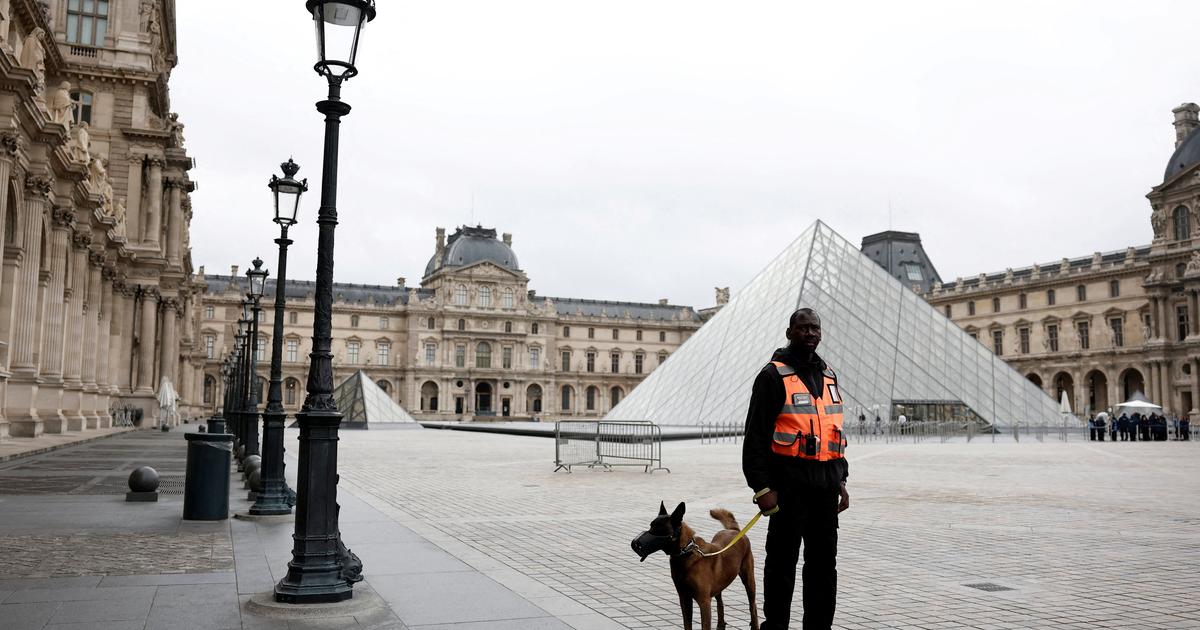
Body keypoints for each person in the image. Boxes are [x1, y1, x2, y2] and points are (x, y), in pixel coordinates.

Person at [743, 308, 849, 630]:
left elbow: (834, 431)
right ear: (790, 333)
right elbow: (755, 437)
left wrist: (841, 479)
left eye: (814, 328)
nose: (810, 333)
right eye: (802, 328)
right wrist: (762, 488)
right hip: (788, 491)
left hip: (825, 489)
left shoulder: (829, 374)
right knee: (781, 566)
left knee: (822, 567)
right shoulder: (772, 376)